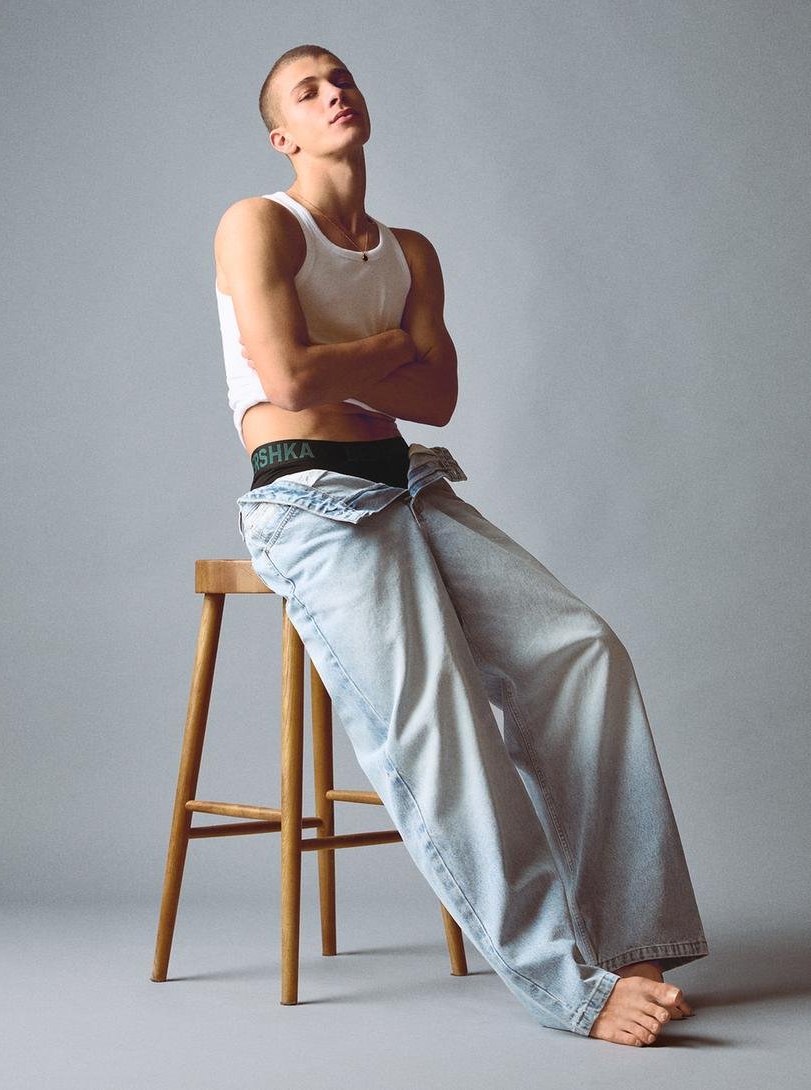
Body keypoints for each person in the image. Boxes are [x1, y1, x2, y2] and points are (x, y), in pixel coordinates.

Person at [212, 43, 709, 1046]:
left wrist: (347, 359)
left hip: (406, 482)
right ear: (282, 135)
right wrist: (392, 347)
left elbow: (435, 399)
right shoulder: (258, 222)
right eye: (308, 90)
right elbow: (287, 379)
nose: (333, 93)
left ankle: (631, 940)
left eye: (341, 78)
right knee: (439, 720)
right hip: (308, 500)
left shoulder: (411, 252)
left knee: (581, 649)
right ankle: (566, 985)